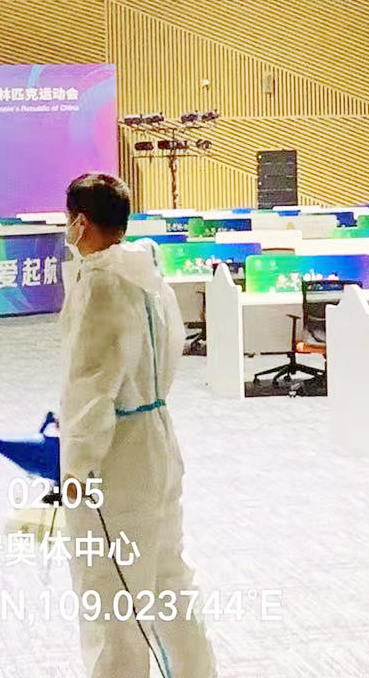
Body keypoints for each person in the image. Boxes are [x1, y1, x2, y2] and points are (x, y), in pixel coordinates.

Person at [59, 172, 219, 678]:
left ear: (81, 222)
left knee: (113, 592)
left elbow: (92, 386)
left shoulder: (101, 284)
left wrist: (75, 468)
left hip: (118, 457)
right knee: (169, 579)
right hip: (157, 436)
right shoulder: (147, 273)